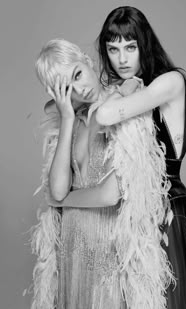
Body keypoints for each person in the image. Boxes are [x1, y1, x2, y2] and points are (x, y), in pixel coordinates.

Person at [31, 38, 175, 309]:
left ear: (86, 60)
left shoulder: (123, 105)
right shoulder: (70, 125)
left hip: (109, 250)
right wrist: (67, 119)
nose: (80, 88)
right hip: (72, 250)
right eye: (66, 89)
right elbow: (58, 188)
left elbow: (111, 194)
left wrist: (63, 201)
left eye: (77, 74)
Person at [95, 6, 186, 309]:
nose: (122, 59)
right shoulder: (132, 91)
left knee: (166, 299)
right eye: (113, 49)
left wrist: (122, 90)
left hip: (166, 202)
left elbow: (104, 115)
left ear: (145, 44)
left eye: (130, 46)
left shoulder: (169, 83)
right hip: (133, 206)